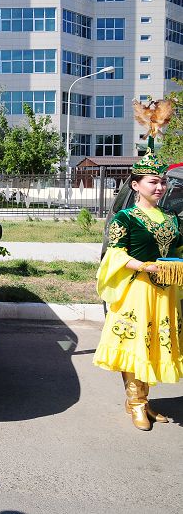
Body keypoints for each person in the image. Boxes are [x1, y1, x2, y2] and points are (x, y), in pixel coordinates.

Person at [94, 149, 183, 431]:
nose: (160, 187)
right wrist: (145, 267)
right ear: (135, 185)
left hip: (165, 293)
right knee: (134, 345)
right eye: (153, 182)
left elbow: (178, 249)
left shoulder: (172, 217)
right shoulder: (125, 218)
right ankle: (135, 403)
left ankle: (144, 400)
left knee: (152, 344)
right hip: (138, 291)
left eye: (162, 182)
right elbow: (114, 255)